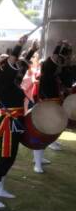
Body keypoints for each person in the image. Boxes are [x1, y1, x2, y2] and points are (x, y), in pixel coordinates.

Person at [0, 35, 38, 208]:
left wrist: (31, 51)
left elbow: (20, 67)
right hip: (8, 123)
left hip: (14, 122)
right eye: (9, 63)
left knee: (10, 156)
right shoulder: (2, 77)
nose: (14, 66)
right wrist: (19, 45)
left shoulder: (11, 81)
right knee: (5, 157)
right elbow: (13, 62)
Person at [31, 40, 73, 173]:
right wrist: (60, 46)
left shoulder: (57, 71)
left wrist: (67, 55)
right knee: (42, 133)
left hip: (53, 105)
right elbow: (54, 59)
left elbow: (67, 80)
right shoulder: (48, 68)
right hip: (46, 106)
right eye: (60, 60)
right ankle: (37, 163)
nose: (61, 62)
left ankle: (40, 159)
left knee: (50, 132)